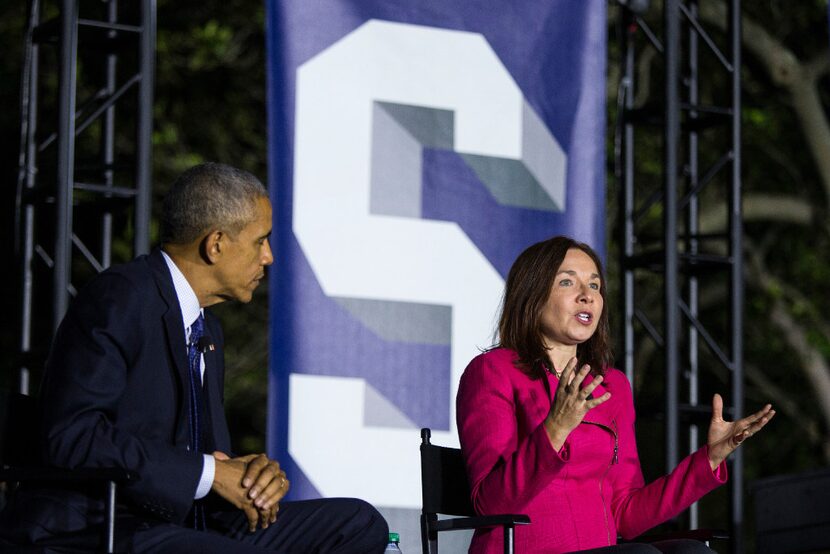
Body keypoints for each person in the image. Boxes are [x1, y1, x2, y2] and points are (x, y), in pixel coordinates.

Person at [0, 163, 388, 553]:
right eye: (260, 241)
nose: (268, 257)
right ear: (216, 243)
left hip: (184, 522)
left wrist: (251, 477)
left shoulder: (206, 328)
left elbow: (207, 459)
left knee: (357, 524)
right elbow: (71, 435)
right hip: (100, 525)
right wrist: (210, 473)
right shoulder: (121, 298)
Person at [456, 236, 774, 554]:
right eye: (568, 282)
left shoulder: (612, 385)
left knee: (692, 552)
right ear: (532, 296)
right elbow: (491, 503)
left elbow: (626, 515)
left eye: (594, 286)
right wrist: (555, 428)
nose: (587, 296)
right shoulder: (492, 371)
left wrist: (709, 459)